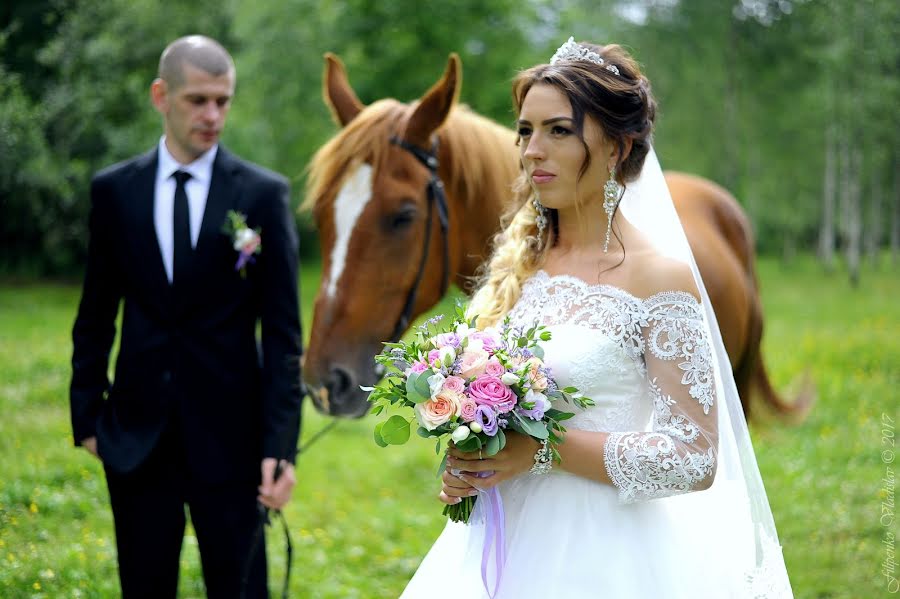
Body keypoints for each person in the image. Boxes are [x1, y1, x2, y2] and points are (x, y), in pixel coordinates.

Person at [400, 38, 793, 598]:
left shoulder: (660, 278)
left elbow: (695, 458)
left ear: (616, 146)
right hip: (499, 550)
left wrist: (541, 450)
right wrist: (471, 460)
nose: (533, 150)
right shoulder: (520, 266)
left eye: (558, 130)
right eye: (526, 130)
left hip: (606, 557)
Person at [69, 35, 303, 598]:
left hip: (234, 443)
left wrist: (279, 445)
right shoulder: (114, 192)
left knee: (241, 588)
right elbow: (96, 311)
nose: (213, 115)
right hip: (136, 439)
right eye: (198, 100)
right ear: (161, 95)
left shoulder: (264, 195)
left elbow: (282, 334)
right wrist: (88, 418)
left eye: (223, 101)